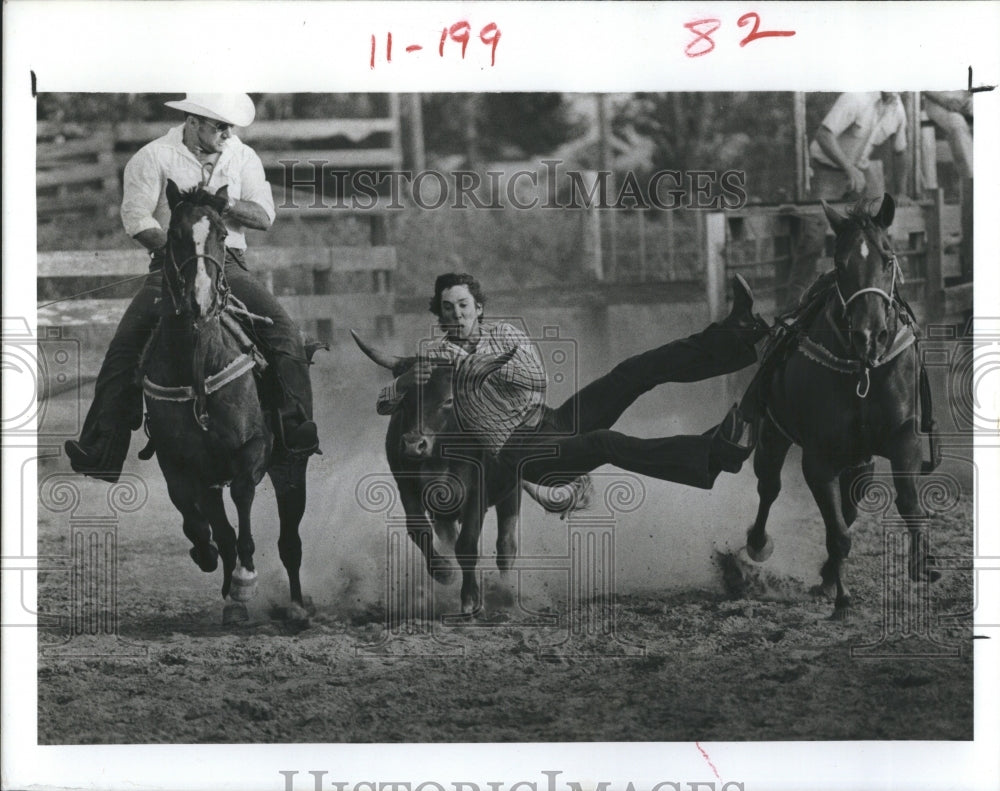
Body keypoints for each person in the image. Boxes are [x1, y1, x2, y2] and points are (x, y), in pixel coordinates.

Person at [65, 93, 319, 484]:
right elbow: (135, 216)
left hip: (227, 264)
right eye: (219, 125)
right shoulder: (153, 157)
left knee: (284, 331)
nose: (227, 133)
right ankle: (101, 446)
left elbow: (265, 215)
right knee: (125, 345)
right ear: (194, 121)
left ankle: (295, 429)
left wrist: (223, 206)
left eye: (229, 126)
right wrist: (179, 252)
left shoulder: (242, 157)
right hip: (169, 264)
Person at [376, 272, 769, 492]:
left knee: (632, 372)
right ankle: (713, 456)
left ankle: (737, 337)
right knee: (605, 443)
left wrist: (473, 364)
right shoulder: (437, 356)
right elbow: (386, 404)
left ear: (479, 309)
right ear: (440, 315)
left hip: (553, 421)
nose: (456, 315)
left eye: (463, 306)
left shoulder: (506, 335)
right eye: (448, 308)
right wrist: (405, 381)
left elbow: (536, 379)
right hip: (525, 454)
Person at [783, 92, 911, 310]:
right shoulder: (856, 97)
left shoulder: (898, 109)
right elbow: (824, 135)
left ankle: (885, 302)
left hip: (860, 170)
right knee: (813, 236)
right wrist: (848, 168)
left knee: (880, 230)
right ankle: (794, 308)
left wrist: (901, 191)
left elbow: (900, 151)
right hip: (827, 169)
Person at [922, 90, 973, 180]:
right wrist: (944, 101)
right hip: (938, 102)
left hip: (966, 98)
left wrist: (972, 97)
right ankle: (971, 179)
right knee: (957, 123)